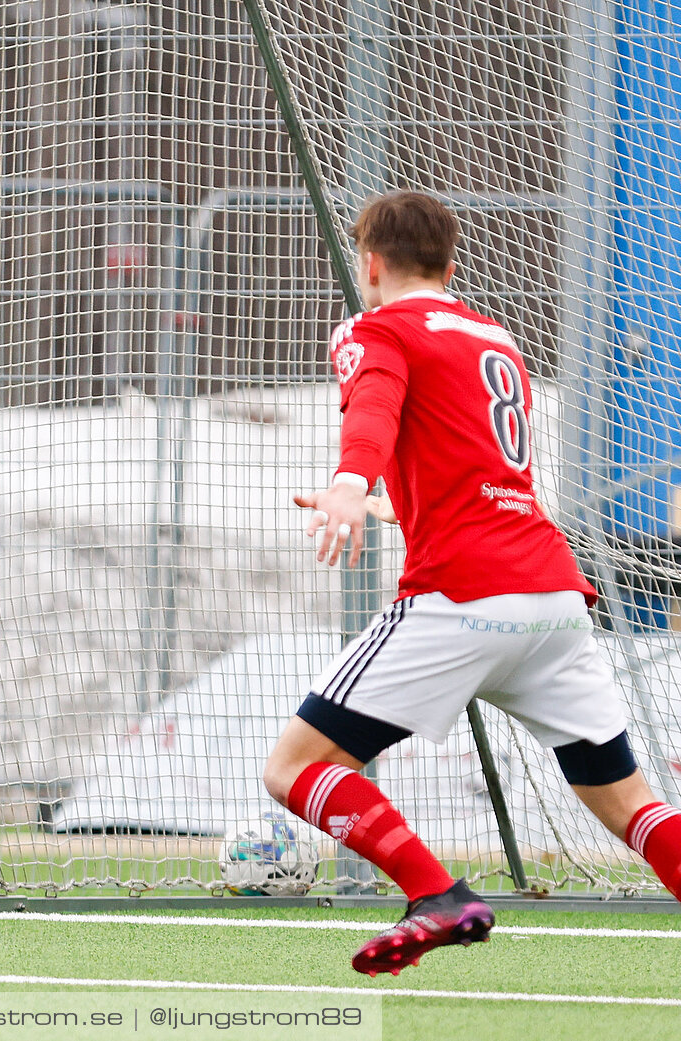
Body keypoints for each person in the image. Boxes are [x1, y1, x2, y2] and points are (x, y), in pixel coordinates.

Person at [268, 191, 681, 976]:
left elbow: (376, 413)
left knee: (294, 766)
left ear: (371, 263)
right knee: (631, 803)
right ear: (451, 268)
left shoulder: (374, 326)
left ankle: (438, 894)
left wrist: (352, 483)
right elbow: (475, 467)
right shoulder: (495, 337)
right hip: (554, 598)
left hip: (464, 596)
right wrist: (398, 502)